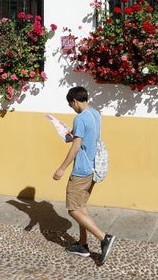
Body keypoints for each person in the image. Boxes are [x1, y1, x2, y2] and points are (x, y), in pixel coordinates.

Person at [53, 86, 115, 264]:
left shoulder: (79, 118)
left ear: (74, 101)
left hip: (81, 169)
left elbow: (76, 146)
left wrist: (62, 168)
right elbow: (87, 137)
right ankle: (82, 245)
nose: (71, 108)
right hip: (93, 167)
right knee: (81, 206)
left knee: (73, 209)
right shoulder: (95, 114)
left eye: (70, 105)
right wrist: (71, 134)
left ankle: (104, 238)